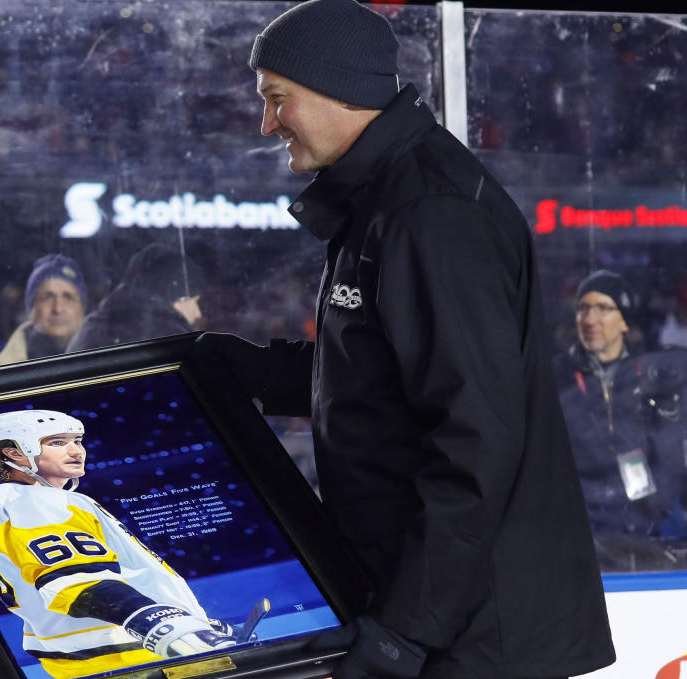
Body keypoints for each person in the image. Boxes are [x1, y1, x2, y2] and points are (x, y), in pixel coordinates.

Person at [197, 1, 615, 677]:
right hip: (443, 618)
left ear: (339, 89)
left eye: (278, 99)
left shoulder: (430, 215)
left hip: (477, 635)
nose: (266, 123)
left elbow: (473, 438)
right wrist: (255, 373)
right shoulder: (383, 197)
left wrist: (403, 631)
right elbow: (387, 377)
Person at [0, 410, 236, 679]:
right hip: (129, 657)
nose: (77, 451)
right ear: (15, 453)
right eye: (57, 442)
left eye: (77, 440)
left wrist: (191, 621)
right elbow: (74, 583)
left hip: (110, 654)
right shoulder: (30, 500)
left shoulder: (27, 500)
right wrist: (167, 627)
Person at [554, 270, 687, 570]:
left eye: (603, 308)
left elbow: (669, 451)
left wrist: (656, 507)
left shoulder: (653, 377)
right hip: (582, 522)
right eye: (583, 309)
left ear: (624, 320)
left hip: (647, 520)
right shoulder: (558, 377)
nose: (590, 319)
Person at [66, 244, 204, 352]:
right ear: (177, 296)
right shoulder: (170, 340)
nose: (198, 313)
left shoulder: (93, 326)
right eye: (194, 301)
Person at [0, 254, 87, 366]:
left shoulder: (106, 365)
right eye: (47, 297)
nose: (58, 309)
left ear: (82, 309)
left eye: (68, 297)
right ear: (31, 310)